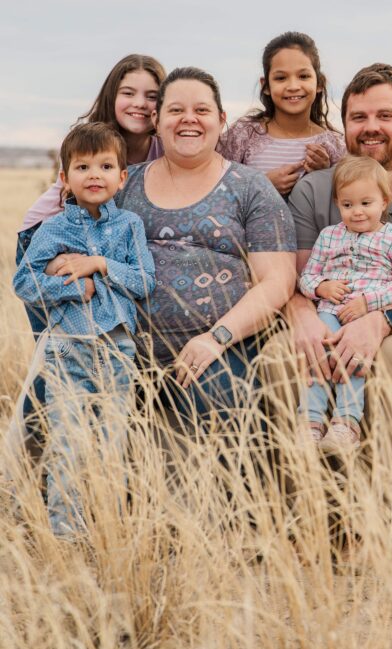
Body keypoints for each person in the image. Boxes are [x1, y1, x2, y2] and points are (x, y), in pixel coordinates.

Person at [270, 62, 392, 452]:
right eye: (358, 117)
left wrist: (379, 322)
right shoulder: (314, 189)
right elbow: (298, 278)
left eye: (385, 116)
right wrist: (304, 318)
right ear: (343, 127)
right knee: (284, 352)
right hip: (327, 310)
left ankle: (389, 499)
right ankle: (304, 498)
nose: (370, 126)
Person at [113, 66, 298, 428]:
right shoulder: (122, 185)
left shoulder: (251, 188)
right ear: (156, 118)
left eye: (201, 110)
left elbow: (277, 281)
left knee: (217, 411)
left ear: (221, 119)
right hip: (125, 352)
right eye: (176, 110)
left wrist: (216, 339)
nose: (189, 119)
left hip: (221, 350)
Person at [13, 123, 156, 537]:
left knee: (113, 442)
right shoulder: (55, 229)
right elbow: (24, 284)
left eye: (106, 166)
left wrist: (100, 266)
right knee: (69, 445)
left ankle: (108, 526)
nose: (95, 174)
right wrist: (74, 287)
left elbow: (146, 281)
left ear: (122, 177)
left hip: (117, 350)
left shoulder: (129, 225)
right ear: (64, 178)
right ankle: (66, 533)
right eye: (82, 166)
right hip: (68, 349)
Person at [18, 53, 166, 338]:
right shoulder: (89, 140)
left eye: (151, 96)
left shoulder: (162, 149)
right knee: (57, 341)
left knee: (108, 337)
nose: (139, 103)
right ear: (111, 97)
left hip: (106, 234)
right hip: (52, 234)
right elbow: (77, 204)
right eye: (128, 93)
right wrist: (55, 266)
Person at [297, 155, 392, 453]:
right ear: (338, 203)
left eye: (366, 203)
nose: (357, 212)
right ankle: (310, 423)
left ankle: (346, 423)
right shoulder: (329, 236)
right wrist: (322, 287)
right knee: (318, 351)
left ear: (384, 201)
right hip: (329, 312)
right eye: (347, 205)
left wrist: (368, 302)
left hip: (366, 317)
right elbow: (307, 277)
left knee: (352, 356)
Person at [222, 32, 345, 199]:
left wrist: (325, 173)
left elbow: (347, 202)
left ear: (319, 83)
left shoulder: (334, 145)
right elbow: (214, 187)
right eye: (281, 78)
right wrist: (263, 185)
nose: (293, 86)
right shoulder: (243, 135)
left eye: (303, 76)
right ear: (265, 86)